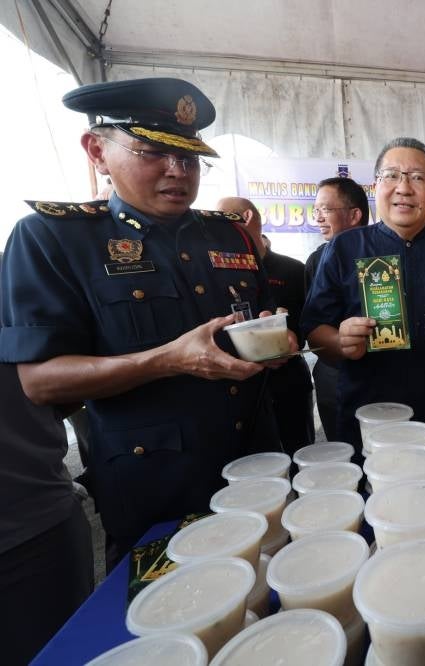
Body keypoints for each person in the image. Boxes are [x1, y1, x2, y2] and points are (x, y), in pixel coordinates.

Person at [0, 78, 290, 569]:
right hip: (156, 490)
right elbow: (40, 381)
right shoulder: (53, 238)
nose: (177, 171)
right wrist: (167, 361)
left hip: (256, 466)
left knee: (268, 601)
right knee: (169, 624)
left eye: (190, 157)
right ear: (97, 150)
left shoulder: (231, 237)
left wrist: (276, 339)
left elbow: (258, 323)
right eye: (153, 151)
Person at [301, 137, 425, 453]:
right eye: (392, 175)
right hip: (371, 418)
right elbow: (314, 331)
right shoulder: (344, 248)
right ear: (376, 186)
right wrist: (341, 342)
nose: (404, 188)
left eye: (418, 178)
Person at [0, 258, 94, 666]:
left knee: (66, 651)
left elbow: (66, 383)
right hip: (39, 516)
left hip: (34, 522)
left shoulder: (19, 277)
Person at [218, 197, 315, 453]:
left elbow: (311, 324)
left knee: (300, 451)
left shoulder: (293, 269)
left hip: (288, 381)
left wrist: (290, 336)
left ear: (246, 218)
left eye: (222, 217)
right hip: (240, 387)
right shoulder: (217, 272)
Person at [303, 177, 369, 441]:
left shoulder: (384, 252)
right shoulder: (317, 259)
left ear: (354, 214)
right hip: (333, 371)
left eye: (326, 210)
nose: (318, 218)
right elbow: (311, 322)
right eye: (316, 210)